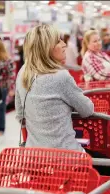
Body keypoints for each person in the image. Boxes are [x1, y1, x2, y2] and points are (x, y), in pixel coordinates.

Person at [15, 24, 94, 152]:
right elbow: (87, 110)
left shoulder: (22, 73)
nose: (64, 44)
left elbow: (20, 115)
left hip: (35, 159)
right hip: (66, 159)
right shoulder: (60, 76)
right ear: (47, 48)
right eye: (58, 41)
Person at [0, 38, 15, 135]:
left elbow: (11, 75)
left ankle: (0, 129)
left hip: (2, 87)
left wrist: (11, 89)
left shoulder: (7, 60)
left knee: (0, 108)